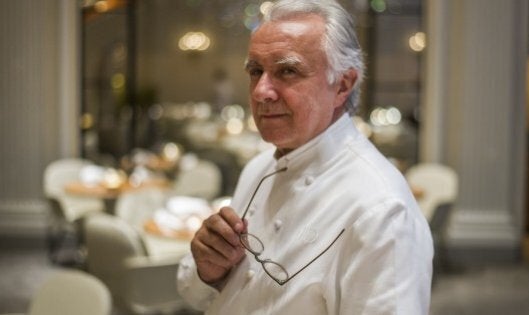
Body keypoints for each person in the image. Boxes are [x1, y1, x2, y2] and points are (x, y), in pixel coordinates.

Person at [177, 0, 434, 313]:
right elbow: (204, 296)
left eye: (287, 71)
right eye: (256, 71)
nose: (261, 91)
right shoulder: (258, 168)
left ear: (342, 84)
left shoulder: (381, 210)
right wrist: (209, 271)